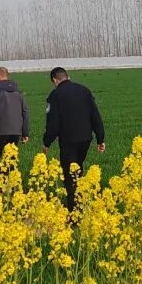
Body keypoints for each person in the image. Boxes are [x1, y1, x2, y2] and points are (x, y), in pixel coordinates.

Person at [42, 67, 105, 211]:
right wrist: (100, 139)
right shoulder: (84, 90)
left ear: (54, 80)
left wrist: (46, 142)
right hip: (85, 139)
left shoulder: (55, 94)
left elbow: (53, 123)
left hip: (68, 140)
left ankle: (74, 211)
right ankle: (80, 202)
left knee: (69, 175)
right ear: (67, 77)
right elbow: (95, 116)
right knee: (78, 169)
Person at [0, 66, 30, 178]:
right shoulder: (18, 91)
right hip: (16, 131)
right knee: (10, 160)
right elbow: (25, 111)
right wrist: (25, 133)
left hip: (0, 131)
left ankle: (3, 180)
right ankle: (13, 182)